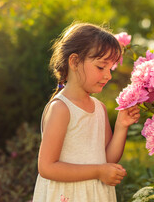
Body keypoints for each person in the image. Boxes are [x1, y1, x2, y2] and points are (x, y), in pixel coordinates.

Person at [32, 22, 140, 202]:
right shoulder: (61, 108)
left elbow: (107, 158)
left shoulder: (99, 108)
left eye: (110, 68)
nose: (108, 75)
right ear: (74, 61)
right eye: (100, 67)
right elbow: (47, 167)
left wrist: (121, 126)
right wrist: (98, 171)